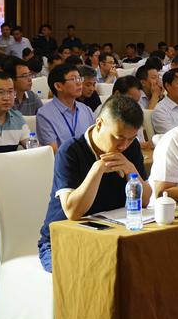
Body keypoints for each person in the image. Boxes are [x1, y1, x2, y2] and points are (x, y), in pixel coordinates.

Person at [37, 95, 150, 272]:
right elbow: (73, 212)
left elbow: (145, 201)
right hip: (63, 240)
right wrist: (97, 170)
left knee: (148, 264)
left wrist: (131, 170)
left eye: (131, 138)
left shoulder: (131, 147)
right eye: (118, 137)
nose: (123, 146)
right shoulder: (70, 151)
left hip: (110, 236)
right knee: (87, 276)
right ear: (99, 124)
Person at [36, 64, 95, 153]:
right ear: (58, 86)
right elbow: (53, 152)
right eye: (74, 79)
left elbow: (95, 141)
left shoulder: (86, 109)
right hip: (62, 161)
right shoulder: (44, 114)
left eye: (79, 78)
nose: (79, 83)